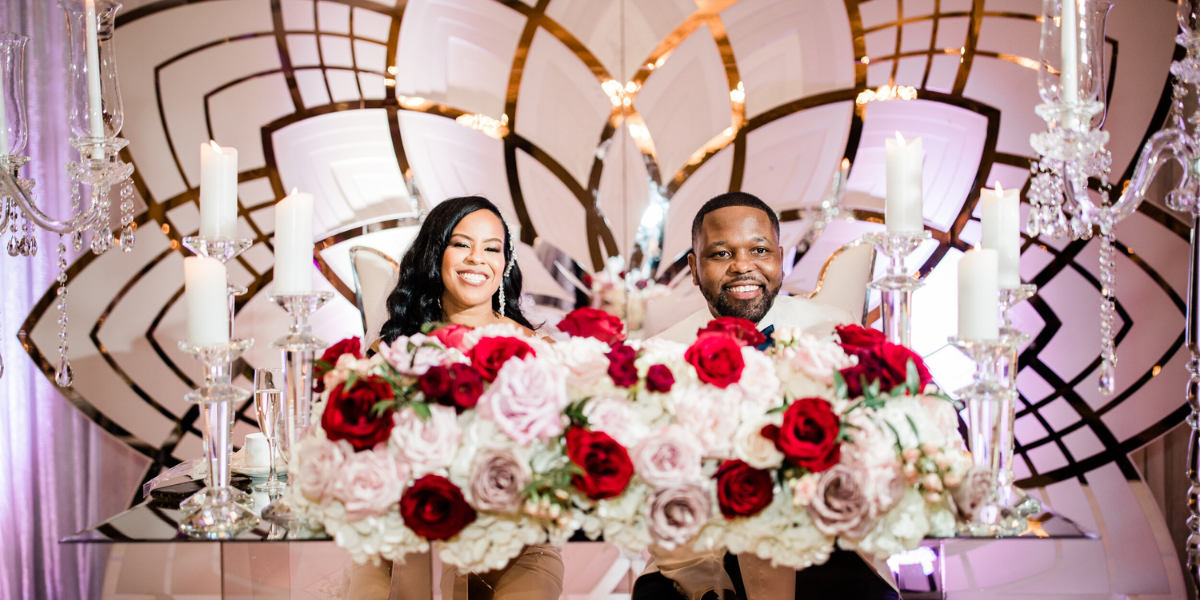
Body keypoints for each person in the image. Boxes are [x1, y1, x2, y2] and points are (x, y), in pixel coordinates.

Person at [637, 192, 899, 600]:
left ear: (779, 258)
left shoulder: (835, 331)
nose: (743, 265)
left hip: (824, 538)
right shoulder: (658, 356)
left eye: (759, 250)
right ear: (693, 267)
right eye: (722, 254)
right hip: (701, 547)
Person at [377, 196, 564, 600]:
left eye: (491, 248)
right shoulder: (390, 351)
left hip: (514, 546)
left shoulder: (536, 350)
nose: (477, 259)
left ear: (505, 263)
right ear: (435, 253)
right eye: (461, 244)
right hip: (405, 543)